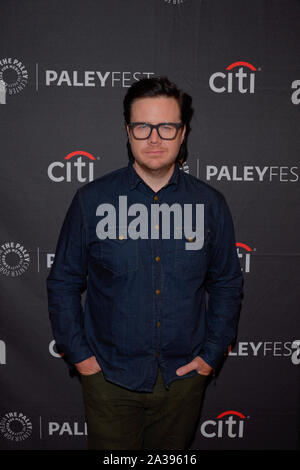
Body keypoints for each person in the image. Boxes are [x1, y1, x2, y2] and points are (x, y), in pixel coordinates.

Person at [46, 76, 243, 450]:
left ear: (182, 133)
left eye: (166, 127)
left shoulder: (210, 204)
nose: (154, 138)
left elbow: (227, 284)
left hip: (182, 382)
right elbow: (64, 282)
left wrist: (211, 354)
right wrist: (82, 358)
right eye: (143, 126)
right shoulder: (91, 200)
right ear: (128, 130)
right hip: (109, 381)